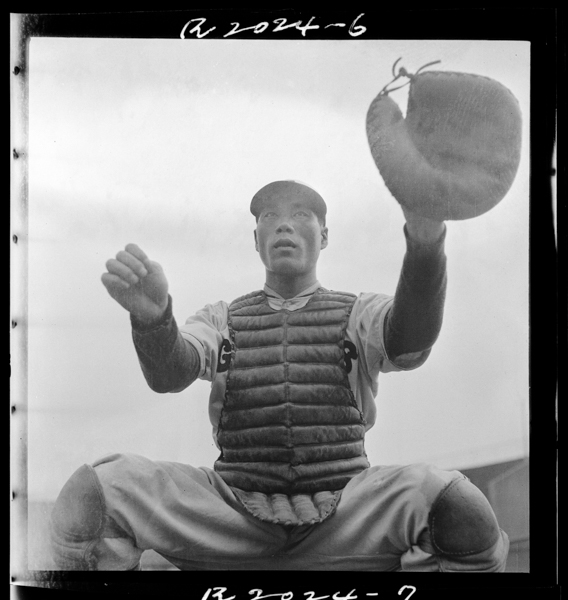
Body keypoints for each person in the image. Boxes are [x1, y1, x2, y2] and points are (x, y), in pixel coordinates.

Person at [49, 180, 509, 571]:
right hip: (231, 516)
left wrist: (425, 242)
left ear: (324, 236)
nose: (284, 224)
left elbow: (410, 339)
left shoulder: (358, 312)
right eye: (270, 216)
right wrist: (154, 320)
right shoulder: (222, 318)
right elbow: (171, 372)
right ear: (256, 240)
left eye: (301, 214)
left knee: (458, 506)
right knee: (95, 492)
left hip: (347, 513)